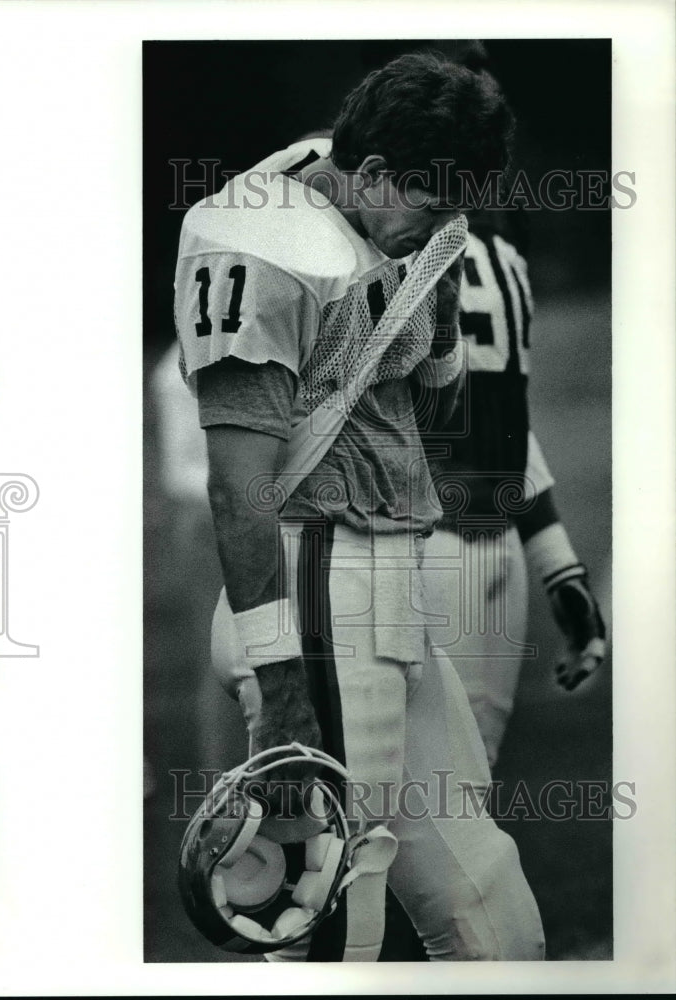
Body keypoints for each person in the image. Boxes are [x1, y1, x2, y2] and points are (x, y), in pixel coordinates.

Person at [174, 53, 545, 961]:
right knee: (334, 911)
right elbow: (240, 484)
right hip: (316, 585)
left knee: (481, 894)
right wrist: (280, 675)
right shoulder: (259, 237)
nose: (437, 232)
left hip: (393, 580)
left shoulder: (386, 205)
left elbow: (433, 413)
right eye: (427, 207)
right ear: (374, 171)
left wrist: (440, 317)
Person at [422, 208, 607, 770]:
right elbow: (505, 428)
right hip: (491, 541)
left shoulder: (400, 239)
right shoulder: (502, 250)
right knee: (463, 779)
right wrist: (557, 563)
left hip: (425, 541)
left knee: (427, 788)